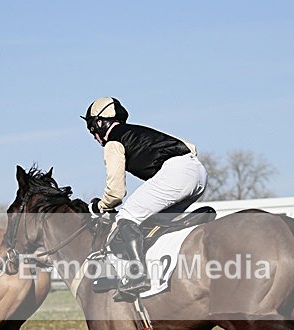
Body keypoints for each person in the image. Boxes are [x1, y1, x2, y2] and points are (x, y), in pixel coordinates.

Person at [82, 97, 207, 298]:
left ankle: (138, 276)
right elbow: (190, 146)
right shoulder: (136, 130)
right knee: (153, 221)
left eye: (92, 130)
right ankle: (186, 224)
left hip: (176, 173)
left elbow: (115, 193)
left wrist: (100, 205)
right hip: (198, 172)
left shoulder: (113, 142)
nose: (95, 137)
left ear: (100, 123)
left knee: (127, 216)